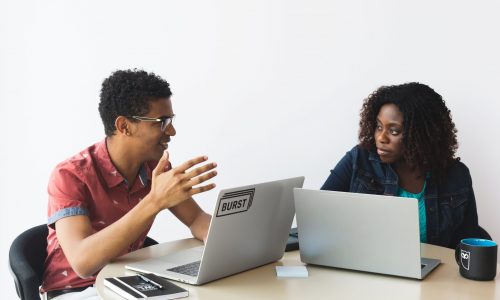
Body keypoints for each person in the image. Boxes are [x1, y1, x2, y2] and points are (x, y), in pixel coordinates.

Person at [41, 69, 218, 299]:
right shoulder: (70, 175)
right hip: (77, 290)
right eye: (162, 122)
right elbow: (83, 263)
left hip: (131, 282)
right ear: (124, 126)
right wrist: (154, 201)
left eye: (171, 121)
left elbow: (196, 219)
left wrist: (234, 244)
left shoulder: (155, 167)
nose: (172, 131)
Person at [321, 82, 485, 249]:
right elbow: (319, 213)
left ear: (420, 135)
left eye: (394, 131)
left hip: (432, 272)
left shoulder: (456, 175)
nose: (381, 138)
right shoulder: (359, 159)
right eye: (379, 127)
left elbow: (469, 244)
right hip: (364, 266)